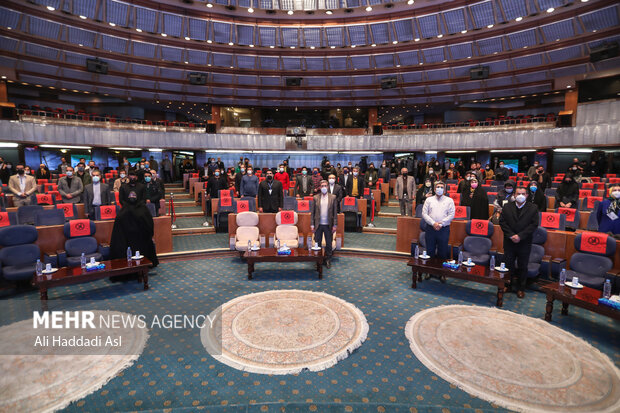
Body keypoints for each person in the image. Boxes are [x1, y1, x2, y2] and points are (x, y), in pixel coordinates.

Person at [499, 186, 539, 298]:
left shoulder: (533, 208)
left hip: (524, 242)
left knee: (523, 266)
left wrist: (520, 236)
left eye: (523, 193)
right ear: (514, 195)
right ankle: (508, 285)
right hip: (509, 241)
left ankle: (521, 288)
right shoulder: (507, 206)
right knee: (509, 265)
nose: (520, 195)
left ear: (526, 195)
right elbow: (502, 222)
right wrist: (511, 235)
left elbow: (534, 225)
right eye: (518, 193)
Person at [422, 182, 455, 277]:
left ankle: (442, 273)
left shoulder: (449, 200)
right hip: (430, 228)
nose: (439, 189)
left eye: (441, 187)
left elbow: (451, 215)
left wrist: (441, 223)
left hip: (443, 229)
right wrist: (433, 223)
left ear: (444, 190)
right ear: (435, 189)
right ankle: (429, 271)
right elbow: (424, 214)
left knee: (442, 252)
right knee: (430, 251)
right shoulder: (429, 200)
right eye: (438, 187)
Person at [311, 180, 338, 268]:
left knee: (329, 244)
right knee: (317, 243)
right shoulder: (315, 197)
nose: (324, 187)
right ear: (320, 187)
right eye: (322, 186)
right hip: (318, 224)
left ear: (327, 187)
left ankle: (328, 260)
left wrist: (335, 225)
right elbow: (313, 212)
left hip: (328, 225)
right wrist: (312, 224)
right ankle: (318, 260)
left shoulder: (333, 197)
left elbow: (335, 213)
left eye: (325, 186)